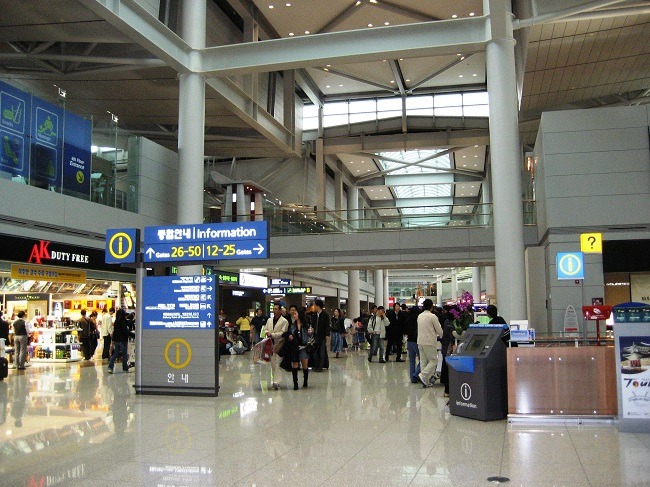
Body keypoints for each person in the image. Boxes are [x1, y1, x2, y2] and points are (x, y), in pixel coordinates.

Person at [282, 308, 312, 389]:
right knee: (294, 364)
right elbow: (289, 334)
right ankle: (295, 383)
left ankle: (305, 381)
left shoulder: (306, 325)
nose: (294, 315)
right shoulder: (292, 325)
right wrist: (290, 336)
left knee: (305, 365)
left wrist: (310, 333)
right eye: (293, 314)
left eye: (295, 314)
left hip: (304, 347)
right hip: (295, 347)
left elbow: (309, 336)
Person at [416, 299, 443, 388]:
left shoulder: (420, 316)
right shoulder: (432, 316)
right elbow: (439, 330)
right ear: (432, 306)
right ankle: (423, 375)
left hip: (420, 341)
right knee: (433, 360)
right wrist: (442, 335)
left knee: (423, 361)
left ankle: (425, 380)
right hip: (429, 341)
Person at [265, 303, 289, 389]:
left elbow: (283, 333)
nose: (274, 311)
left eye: (276, 309)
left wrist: (273, 334)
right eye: (273, 309)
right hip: (270, 344)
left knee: (277, 362)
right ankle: (275, 379)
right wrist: (267, 333)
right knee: (272, 363)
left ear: (280, 310)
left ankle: (277, 381)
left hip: (280, 344)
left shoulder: (284, 321)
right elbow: (265, 329)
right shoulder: (269, 320)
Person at [108, 309, 131, 374]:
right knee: (124, 354)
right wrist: (133, 335)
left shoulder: (116, 321)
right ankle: (125, 368)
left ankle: (110, 367)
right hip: (123, 340)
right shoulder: (123, 321)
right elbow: (125, 331)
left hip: (117, 340)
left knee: (115, 354)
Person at [405, 305, 422, 383]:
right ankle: (416, 374)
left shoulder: (408, 319)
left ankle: (412, 378)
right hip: (416, 342)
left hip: (409, 341)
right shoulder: (418, 320)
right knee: (423, 360)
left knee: (412, 361)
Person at [312, 299, 330, 372]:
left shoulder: (325, 315)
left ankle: (320, 367)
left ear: (318, 306)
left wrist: (327, 334)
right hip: (315, 336)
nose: (314, 306)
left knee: (322, 351)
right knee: (315, 351)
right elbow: (312, 324)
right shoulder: (314, 315)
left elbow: (327, 325)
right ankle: (316, 365)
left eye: (315, 305)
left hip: (322, 336)